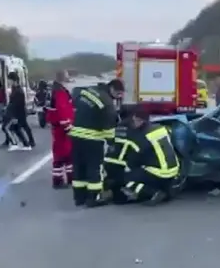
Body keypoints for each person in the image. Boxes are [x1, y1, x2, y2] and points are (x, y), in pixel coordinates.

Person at [69, 79, 123, 207]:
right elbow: (109, 128)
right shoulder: (108, 103)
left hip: (76, 136)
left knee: (79, 167)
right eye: (118, 93)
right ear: (112, 89)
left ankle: (79, 197)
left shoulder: (88, 90)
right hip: (92, 139)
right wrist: (111, 143)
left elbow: (74, 99)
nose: (119, 97)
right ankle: (94, 197)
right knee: (95, 168)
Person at [119, 105, 180, 205]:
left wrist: (128, 166)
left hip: (159, 172)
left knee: (126, 178)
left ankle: (153, 193)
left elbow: (135, 158)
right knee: (147, 169)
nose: (133, 124)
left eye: (134, 121)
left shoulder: (142, 136)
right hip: (173, 170)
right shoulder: (161, 128)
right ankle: (166, 192)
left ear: (140, 120)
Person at [47, 71, 74, 189]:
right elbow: (63, 111)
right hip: (61, 129)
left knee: (66, 155)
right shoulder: (60, 93)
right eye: (67, 76)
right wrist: (68, 128)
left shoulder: (56, 91)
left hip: (58, 127)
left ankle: (69, 177)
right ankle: (58, 180)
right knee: (62, 155)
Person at [2, 72, 35, 151]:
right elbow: (12, 102)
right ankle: (24, 143)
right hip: (14, 113)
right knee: (15, 128)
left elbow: (19, 105)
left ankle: (24, 143)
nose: (8, 81)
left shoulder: (19, 91)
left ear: (14, 80)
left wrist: (15, 116)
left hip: (19, 113)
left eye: (9, 80)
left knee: (10, 127)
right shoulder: (14, 89)